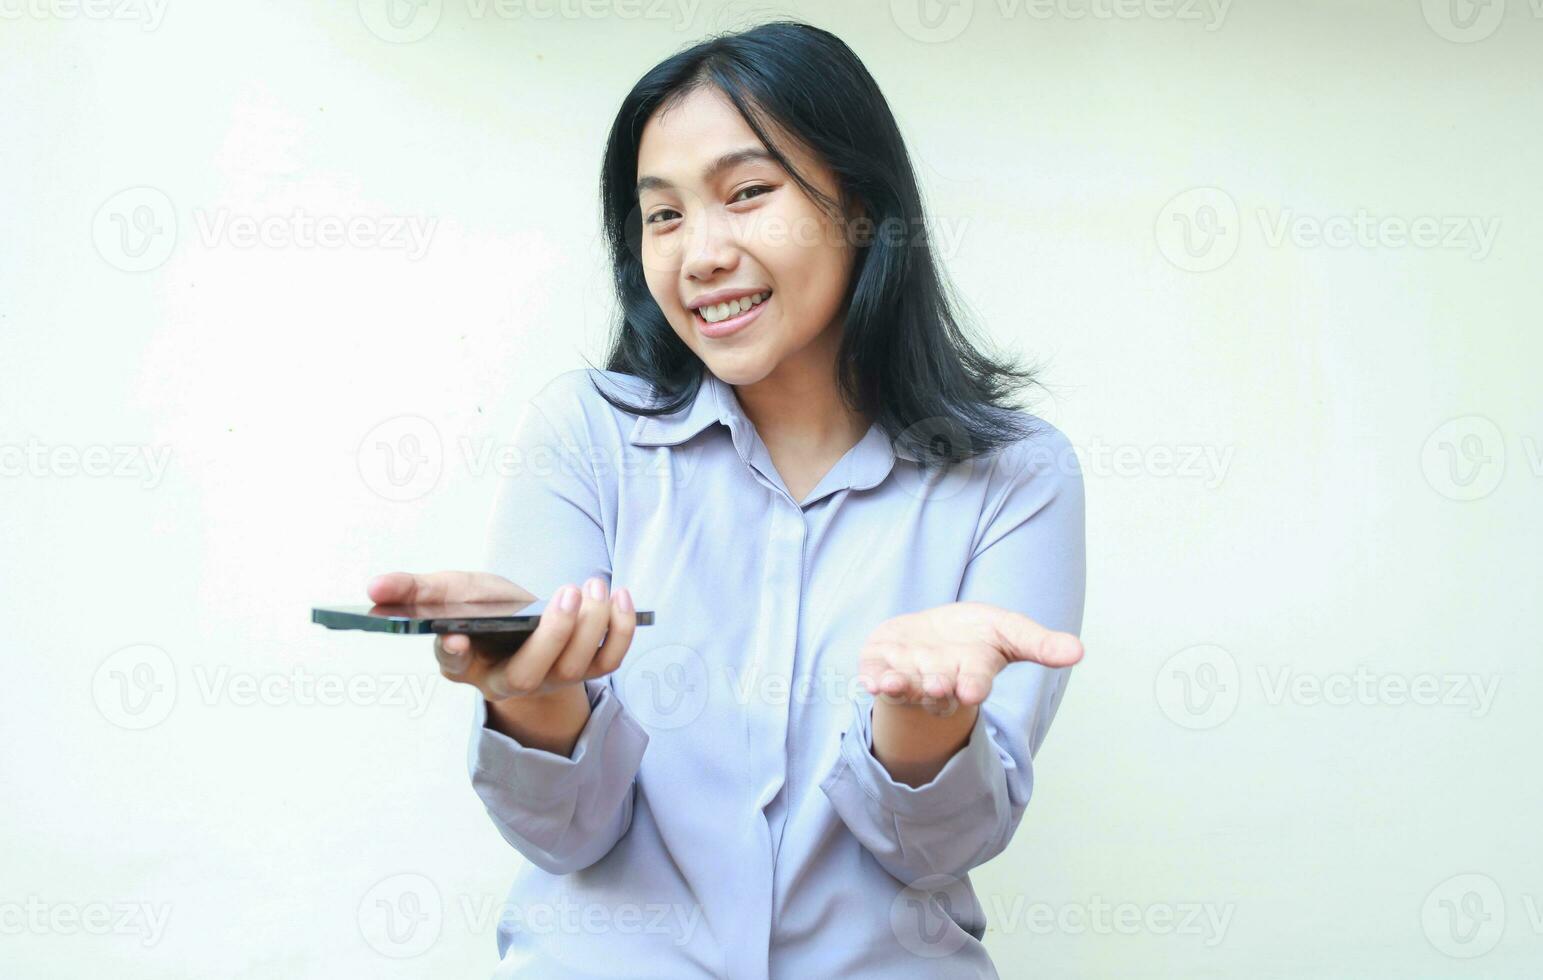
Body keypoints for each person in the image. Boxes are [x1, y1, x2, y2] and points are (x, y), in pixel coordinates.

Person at [367, 20, 1086, 979]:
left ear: (862, 207)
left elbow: (937, 852)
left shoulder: (1015, 475)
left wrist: (923, 722)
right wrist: (535, 694)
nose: (698, 255)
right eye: (661, 215)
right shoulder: (587, 434)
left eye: (747, 194)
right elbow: (566, 836)